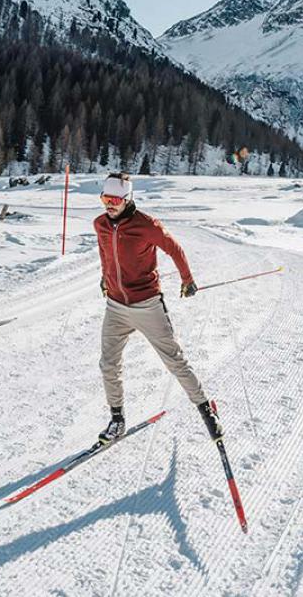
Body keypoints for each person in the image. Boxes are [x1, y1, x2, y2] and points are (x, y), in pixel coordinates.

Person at [94, 172, 223, 443]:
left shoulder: (147, 225)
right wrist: (106, 279)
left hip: (147, 305)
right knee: (109, 364)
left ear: (128, 199)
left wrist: (187, 279)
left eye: (115, 199)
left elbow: (175, 249)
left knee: (175, 360)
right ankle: (117, 419)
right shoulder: (101, 224)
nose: (110, 205)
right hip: (116, 306)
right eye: (106, 198)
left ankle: (205, 408)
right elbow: (106, 253)